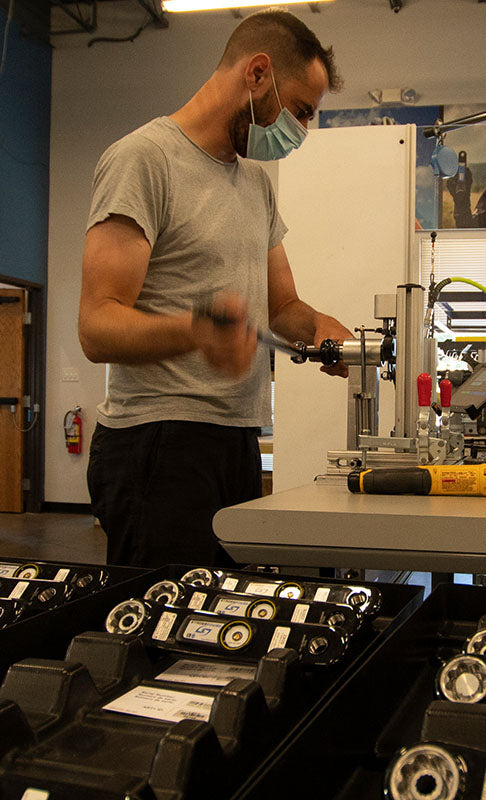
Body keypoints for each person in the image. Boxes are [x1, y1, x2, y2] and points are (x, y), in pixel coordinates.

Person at [77, 9, 354, 568]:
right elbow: (97, 325)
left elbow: (283, 308)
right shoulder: (144, 160)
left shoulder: (254, 184)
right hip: (156, 442)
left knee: (223, 625)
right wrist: (197, 331)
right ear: (257, 74)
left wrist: (323, 330)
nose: (300, 131)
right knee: (162, 630)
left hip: (234, 438)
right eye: (300, 111)